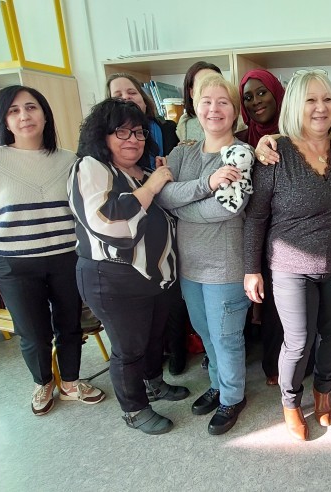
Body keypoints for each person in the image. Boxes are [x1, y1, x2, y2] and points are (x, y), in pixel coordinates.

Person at [0, 85, 106, 416]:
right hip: (13, 263)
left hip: (66, 258)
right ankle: (42, 381)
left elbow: (83, 212)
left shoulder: (69, 160)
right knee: (32, 331)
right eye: (13, 111)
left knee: (70, 325)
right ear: (4, 120)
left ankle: (71, 382)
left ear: (44, 114)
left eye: (31, 107)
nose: (24, 116)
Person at [243, 69, 331, 441]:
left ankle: (323, 392)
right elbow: (256, 216)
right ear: (295, 105)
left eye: (327, 100)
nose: (320, 108)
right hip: (291, 267)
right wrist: (251, 269)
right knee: (298, 341)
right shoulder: (275, 153)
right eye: (311, 100)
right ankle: (290, 402)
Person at [69, 98, 190, 435]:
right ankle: (134, 409)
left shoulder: (145, 172)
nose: (133, 139)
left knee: (152, 339)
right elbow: (110, 223)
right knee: (129, 348)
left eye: (138, 132)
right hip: (113, 278)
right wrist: (153, 186)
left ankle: (153, 383)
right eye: (121, 132)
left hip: (154, 278)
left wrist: (161, 178)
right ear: (102, 135)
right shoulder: (91, 167)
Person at [157, 74, 251, 436]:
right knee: (205, 334)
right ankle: (218, 384)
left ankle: (233, 397)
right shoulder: (182, 153)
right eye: (207, 101)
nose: (214, 109)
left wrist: (180, 203)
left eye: (223, 102)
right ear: (196, 108)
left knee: (226, 338)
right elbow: (161, 195)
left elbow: (227, 208)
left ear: (234, 110)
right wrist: (207, 184)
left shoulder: (240, 154)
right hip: (189, 267)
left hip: (226, 267)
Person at [107, 72, 189, 375]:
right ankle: (146, 373)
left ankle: (175, 354)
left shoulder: (165, 129)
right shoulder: (101, 156)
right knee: (137, 324)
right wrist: (153, 183)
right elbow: (112, 211)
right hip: (128, 244)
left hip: (168, 226)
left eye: (132, 92)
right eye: (118, 95)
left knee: (170, 300)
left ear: (144, 98)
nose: (126, 99)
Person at [236, 69, 286, 386]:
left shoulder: (294, 134)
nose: (256, 101)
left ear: (276, 93)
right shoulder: (240, 140)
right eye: (248, 97)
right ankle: (269, 364)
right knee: (265, 303)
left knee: (286, 305)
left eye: (262, 92)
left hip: (286, 233)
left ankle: (289, 362)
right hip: (250, 231)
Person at [176, 61, 222, 142]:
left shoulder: (239, 125)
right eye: (204, 85)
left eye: (215, 83)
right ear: (192, 93)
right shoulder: (184, 126)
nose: (211, 89)